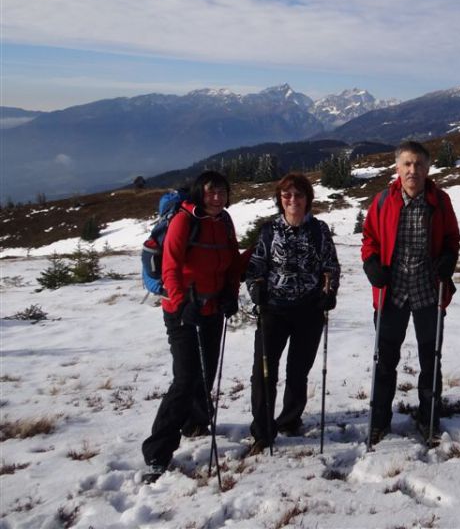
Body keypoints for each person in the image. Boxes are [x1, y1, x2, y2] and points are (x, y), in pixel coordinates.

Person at [141, 170, 240, 482]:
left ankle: (195, 423)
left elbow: (233, 262)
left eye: (222, 191)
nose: (217, 197)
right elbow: (170, 265)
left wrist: (231, 294)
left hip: (211, 308)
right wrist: (182, 304)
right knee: (185, 379)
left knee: (206, 372)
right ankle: (158, 451)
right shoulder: (185, 220)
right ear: (200, 192)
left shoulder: (224, 221)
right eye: (211, 191)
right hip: (183, 311)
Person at [361, 141, 460, 443]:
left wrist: (448, 260)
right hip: (391, 293)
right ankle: (379, 421)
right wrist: (370, 262)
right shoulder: (382, 202)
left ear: (427, 169)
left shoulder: (440, 201)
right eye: (407, 164)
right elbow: (369, 238)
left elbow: (452, 238)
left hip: (428, 292)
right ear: (397, 168)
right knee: (385, 359)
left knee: (431, 358)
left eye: (418, 164)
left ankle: (429, 419)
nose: (412, 170)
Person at [245, 172, 340, 453]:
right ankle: (263, 429)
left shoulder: (319, 230)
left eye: (299, 195)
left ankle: (289, 418)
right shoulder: (269, 231)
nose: (293, 200)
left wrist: (329, 293)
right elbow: (255, 268)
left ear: (308, 199)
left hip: (309, 310)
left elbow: (330, 266)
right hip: (273, 310)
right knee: (263, 372)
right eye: (287, 195)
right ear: (280, 199)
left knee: (298, 370)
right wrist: (256, 290)